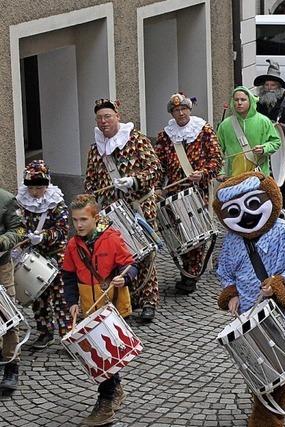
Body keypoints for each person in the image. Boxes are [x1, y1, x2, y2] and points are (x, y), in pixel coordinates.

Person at [214, 172, 285, 427]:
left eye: (253, 204)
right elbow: (224, 272)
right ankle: (266, 412)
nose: (245, 215)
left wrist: (278, 284)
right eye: (234, 210)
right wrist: (231, 293)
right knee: (259, 367)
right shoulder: (233, 241)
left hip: (281, 316)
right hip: (249, 314)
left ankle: (267, 420)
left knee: (280, 367)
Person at [61, 194, 139, 426]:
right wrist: (72, 301)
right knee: (102, 357)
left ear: (96, 217)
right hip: (90, 307)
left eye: (84, 219)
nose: (79, 225)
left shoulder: (112, 239)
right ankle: (113, 392)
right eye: (75, 220)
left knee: (106, 356)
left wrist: (123, 279)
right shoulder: (73, 245)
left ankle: (106, 402)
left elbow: (130, 265)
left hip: (115, 307)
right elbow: (68, 275)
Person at [85, 99, 161, 322]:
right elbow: (90, 183)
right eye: (99, 118)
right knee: (120, 256)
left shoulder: (136, 140)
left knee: (144, 253)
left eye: (107, 116)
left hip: (139, 207)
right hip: (112, 212)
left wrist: (134, 181)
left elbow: (155, 169)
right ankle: (130, 297)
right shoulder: (95, 149)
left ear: (117, 116)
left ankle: (149, 300)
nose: (103, 121)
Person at [155, 93, 223, 294]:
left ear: (189, 110)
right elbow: (159, 166)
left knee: (195, 231)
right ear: (172, 113)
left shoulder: (203, 130)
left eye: (183, 109)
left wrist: (203, 173)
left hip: (198, 189)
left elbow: (216, 159)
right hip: (175, 189)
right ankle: (187, 270)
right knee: (180, 234)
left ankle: (190, 275)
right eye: (176, 110)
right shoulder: (165, 136)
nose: (181, 113)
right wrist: (159, 186)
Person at [15, 160, 71, 349]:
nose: (35, 192)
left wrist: (45, 236)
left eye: (39, 188)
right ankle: (45, 332)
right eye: (32, 189)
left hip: (57, 255)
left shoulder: (56, 203)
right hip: (35, 256)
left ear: (46, 185)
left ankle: (68, 334)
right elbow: (19, 227)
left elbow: (63, 229)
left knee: (61, 298)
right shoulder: (23, 203)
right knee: (39, 298)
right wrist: (24, 236)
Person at [254, 60, 285, 215]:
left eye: (272, 85)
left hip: (281, 153)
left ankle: (281, 212)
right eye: (267, 85)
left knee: (281, 184)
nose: (269, 88)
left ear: (279, 87)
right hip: (260, 153)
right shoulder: (256, 105)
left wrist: (284, 128)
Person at [217, 86, 281, 178]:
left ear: (250, 101)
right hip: (233, 176)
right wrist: (220, 172)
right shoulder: (225, 125)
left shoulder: (264, 121)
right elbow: (217, 151)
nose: (239, 103)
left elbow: (276, 142)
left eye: (243, 100)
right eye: (236, 100)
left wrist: (264, 149)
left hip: (260, 174)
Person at [0, 187, 23, 393]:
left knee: (7, 317)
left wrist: (3, 241)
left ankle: (11, 365)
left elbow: (19, 230)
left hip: (1, 266)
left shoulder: (6, 199)